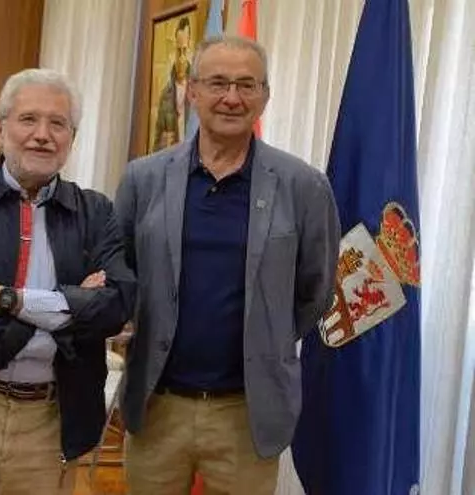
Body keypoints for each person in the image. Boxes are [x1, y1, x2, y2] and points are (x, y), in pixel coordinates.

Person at [116, 35, 341, 495]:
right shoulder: (143, 178)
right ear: (192, 91)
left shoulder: (304, 186)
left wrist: (267, 337)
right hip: (158, 406)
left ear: (265, 95)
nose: (232, 98)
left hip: (247, 414)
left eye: (246, 84)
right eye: (218, 83)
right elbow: (123, 271)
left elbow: (315, 291)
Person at [0, 68, 136, 495]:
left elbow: (116, 307)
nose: (42, 135)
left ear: (72, 138)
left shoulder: (96, 213)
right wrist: (69, 311)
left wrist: (7, 299)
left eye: (58, 124)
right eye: (28, 119)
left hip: (52, 418)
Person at [153, 16, 194, 152]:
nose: (181, 58)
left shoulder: (200, 92)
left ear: (190, 50)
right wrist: (162, 143)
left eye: (184, 51)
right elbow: (155, 147)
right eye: (178, 51)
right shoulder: (165, 95)